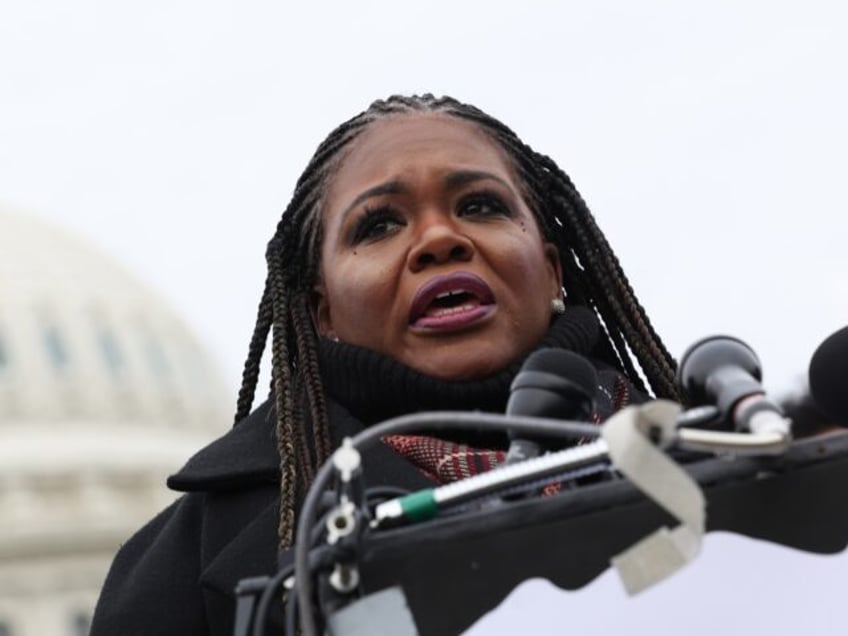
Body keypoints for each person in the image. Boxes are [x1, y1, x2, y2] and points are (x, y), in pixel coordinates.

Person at [90, 94, 681, 636]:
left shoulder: (728, 451)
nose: (439, 239)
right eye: (379, 225)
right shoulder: (190, 557)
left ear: (552, 270)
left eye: (480, 206)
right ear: (322, 312)